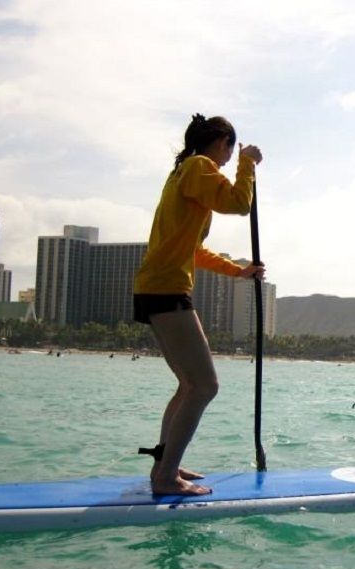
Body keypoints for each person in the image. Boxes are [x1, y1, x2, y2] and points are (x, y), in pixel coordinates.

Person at [133, 113, 264, 496]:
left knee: (189, 384)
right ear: (221, 141)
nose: (227, 158)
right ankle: (164, 477)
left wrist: (237, 271)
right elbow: (240, 202)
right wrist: (248, 163)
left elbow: (194, 249)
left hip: (158, 286)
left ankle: (165, 462)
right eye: (230, 148)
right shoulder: (198, 166)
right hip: (165, 288)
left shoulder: (184, 173)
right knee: (205, 386)